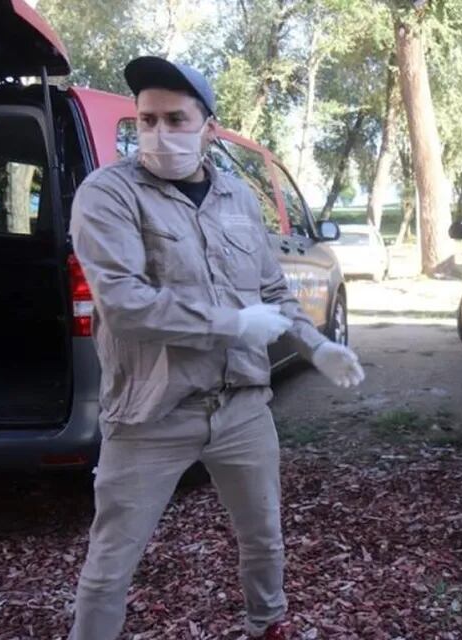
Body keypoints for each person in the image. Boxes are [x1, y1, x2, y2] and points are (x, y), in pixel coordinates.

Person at [67, 56, 365, 639]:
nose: (158, 132)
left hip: (243, 408)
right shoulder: (108, 194)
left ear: (208, 127)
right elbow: (124, 303)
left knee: (263, 535)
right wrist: (229, 324)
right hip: (151, 411)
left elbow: (274, 290)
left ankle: (267, 624)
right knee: (111, 561)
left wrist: (314, 344)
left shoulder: (237, 197)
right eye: (146, 119)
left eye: (175, 119)